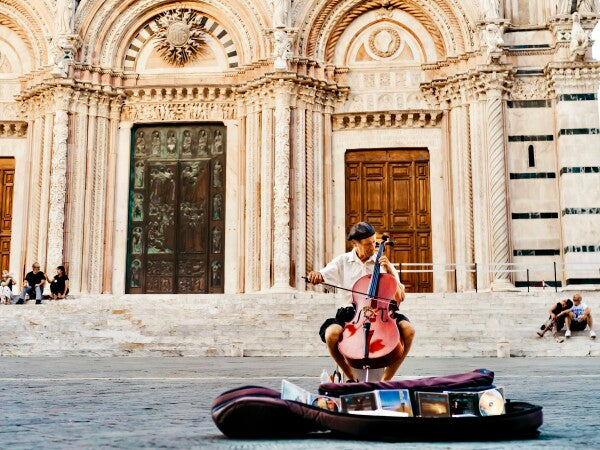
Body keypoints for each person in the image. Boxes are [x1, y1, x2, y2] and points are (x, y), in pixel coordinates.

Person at [307, 222, 415, 382]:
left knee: (409, 331)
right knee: (331, 335)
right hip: (352, 313)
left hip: (380, 312)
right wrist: (316, 275)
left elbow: (400, 296)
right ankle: (350, 377)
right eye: (368, 244)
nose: (373, 247)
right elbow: (323, 275)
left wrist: (390, 271)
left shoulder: (383, 263)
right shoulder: (342, 261)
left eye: (374, 242)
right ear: (355, 244)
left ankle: (386, 380)